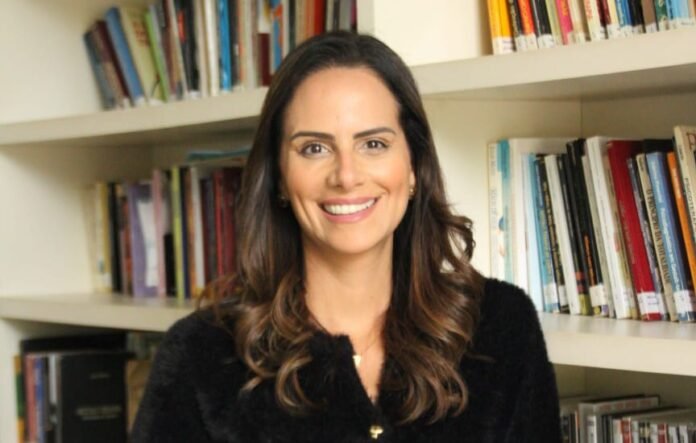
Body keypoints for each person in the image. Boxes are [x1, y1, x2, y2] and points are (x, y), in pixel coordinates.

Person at [132, 31, 561, 442]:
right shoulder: (201, 356)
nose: (347, 176)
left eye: (373, 144)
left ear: (413, 167)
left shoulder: (501, 328)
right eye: (314, 148)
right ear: (279, 178)